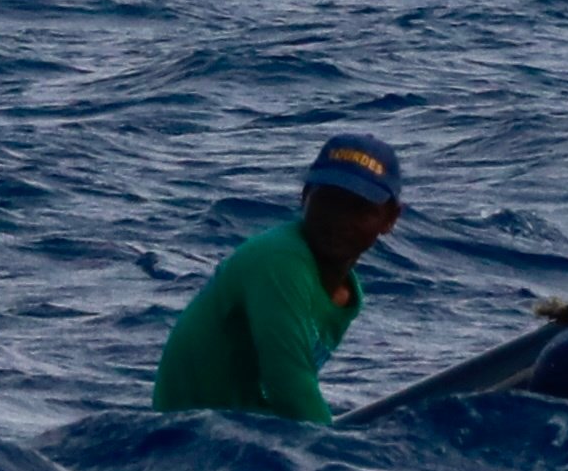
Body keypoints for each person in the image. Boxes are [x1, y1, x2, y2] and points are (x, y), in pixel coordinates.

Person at [151, 135, 402, 423]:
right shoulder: (279, 261)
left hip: (237, 432)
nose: (339, 219)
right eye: (328, 201)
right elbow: (289, 387)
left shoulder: (345, 293)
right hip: (189, 439)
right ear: (304, 196)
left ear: (390, 219)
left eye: (359, 207)